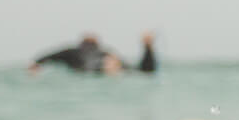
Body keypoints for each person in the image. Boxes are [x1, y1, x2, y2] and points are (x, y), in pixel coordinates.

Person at [28, 32, 157, 75]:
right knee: (140, 71)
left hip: (90, 69)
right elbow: (145, 71)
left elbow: (50, 56)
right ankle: (148, 47)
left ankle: (147, 47)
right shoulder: (106, 52)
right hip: (109, 66)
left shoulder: (72, 51)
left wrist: (36, 63)